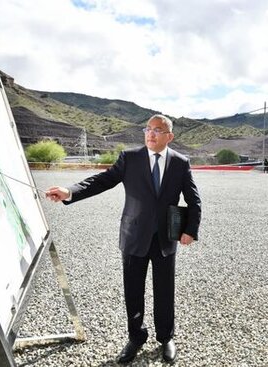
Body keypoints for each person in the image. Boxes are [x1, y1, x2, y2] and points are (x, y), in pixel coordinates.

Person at [46, 114, 202, 364]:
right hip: (133, 237)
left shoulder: (180, 163)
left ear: (169, 136)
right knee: (133, 292)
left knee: (165, 291)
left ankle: (166, 337)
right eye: (148, 129)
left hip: (165, 239)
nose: (151, 133)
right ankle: (135, 338)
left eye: (158, 130)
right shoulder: (130, 158)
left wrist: (190, 230)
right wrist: (70, 192)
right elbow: (103, 181)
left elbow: (194, 200)